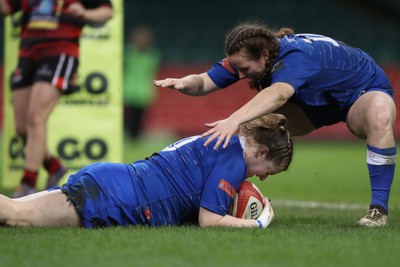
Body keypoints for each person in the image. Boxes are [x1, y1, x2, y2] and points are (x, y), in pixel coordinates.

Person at [154, 22, 397, 227]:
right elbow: (205, 81)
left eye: (245, 69)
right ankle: (217, 196)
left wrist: (234, 118)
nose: (240, 75)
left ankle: (378, 209)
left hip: (358, 93)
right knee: (252, 132)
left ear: (265, 56)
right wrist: (185, 83)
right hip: (314, 102)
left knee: (380, 115)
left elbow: (279, 94)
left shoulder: (296, 57)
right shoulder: (248, 57)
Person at [0, 113, 293, 228]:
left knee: (13, 220)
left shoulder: (223, 140)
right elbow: (209, 220)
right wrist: (258, 223)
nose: (263, 177)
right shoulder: (235, 161)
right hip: (117, 199)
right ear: (262, 152)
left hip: (114, 183)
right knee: (15, 214)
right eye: (269, 170)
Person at [0, 0, 113, 197]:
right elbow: (5, 8)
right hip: (27, 54)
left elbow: (107, 11)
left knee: (36, 117)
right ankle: (54, 167)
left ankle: (27, 185)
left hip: (60, 52)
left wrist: (85, 14)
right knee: (22, 127)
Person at [123, 25, 161, 138]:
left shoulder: (153, 55)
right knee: (125, 119)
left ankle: (134, 140)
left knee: (138, 120)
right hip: (127, 91)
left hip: (143, 92)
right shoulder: (127, 52)